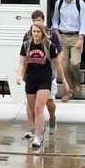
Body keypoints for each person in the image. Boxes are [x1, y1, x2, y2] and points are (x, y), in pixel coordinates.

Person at [17, 22, 66, 150]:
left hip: (44, 80)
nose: (36, 34)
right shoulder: (26, 46)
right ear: (31, 32)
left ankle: (38, 136)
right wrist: (19, 75)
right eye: (34, 31)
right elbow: (22, 62)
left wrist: (64, 81)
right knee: (33, 110)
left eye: (38, 31)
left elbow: (57, 65)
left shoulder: (49, 46)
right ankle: (40, 128)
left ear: (43, 33)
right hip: (30, 79)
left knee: (39, 108)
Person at [22, 9, 62, 139]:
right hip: (32, 74)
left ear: (43, 21)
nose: (36, 25)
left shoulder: (52, 36)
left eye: (39, 21)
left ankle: (52, 117)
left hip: (47, 74)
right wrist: (22, 73)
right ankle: (34, 129)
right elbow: (24, 56)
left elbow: (59, 52)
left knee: (49, 101)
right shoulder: (28, 36)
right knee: (33, 105)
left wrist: (54, 66)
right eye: (34, 22)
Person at [50, 0, 85, 101]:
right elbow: (55, 19)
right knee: (64, 66)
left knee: (75, 63)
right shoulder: (59, 4)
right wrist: (56, 32)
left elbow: (83, 21)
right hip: (63, 37)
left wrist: (81, 37)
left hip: (76, 36)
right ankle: (69, 90)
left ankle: (76, 81)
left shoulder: (79, 3)